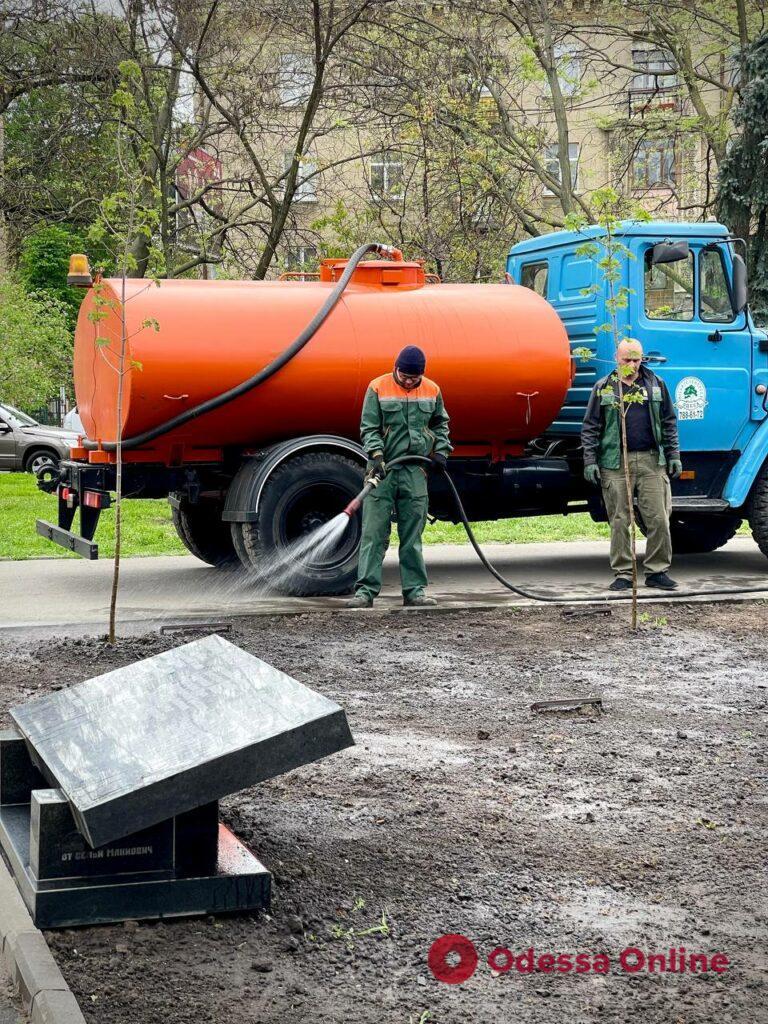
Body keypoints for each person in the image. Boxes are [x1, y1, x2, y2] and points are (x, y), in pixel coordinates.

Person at [348, 345, 452, 608]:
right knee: (373, 532)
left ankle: (414, 591)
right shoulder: (377, 387)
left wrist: (440, 452)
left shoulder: (432, 390)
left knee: (412, 534)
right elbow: (369, 427)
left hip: (415, 471)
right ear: (396, 368)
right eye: (404, 376)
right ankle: (365, 592)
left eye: (413, 378)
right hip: (382, 471)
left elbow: (440, 424)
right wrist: (377, 456)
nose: (407, 381)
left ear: (421, 375)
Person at [581, 339, 682, 592]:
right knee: (619, 521)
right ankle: (624, 574)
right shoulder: (604, 388)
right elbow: (590, 427)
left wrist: (673, 455)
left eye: (637, 359)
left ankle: (657, 571)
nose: (633, 365)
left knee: (659, 519)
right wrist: (590, 460)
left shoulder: (656, 385)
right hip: (615, 462)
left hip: (651, 461)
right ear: (617, 358)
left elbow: (669, 421)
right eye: (627, 360)